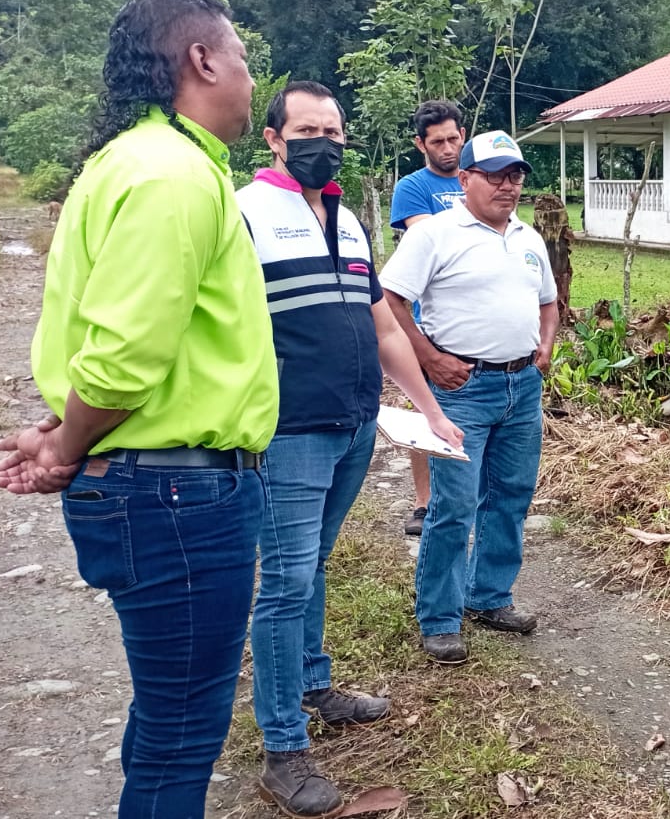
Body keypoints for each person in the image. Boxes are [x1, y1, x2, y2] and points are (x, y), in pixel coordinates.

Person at [0, 0, 276, 819]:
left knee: (167, 721)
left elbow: (116, 334)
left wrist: (66, 432)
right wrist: (68, 444)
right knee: (182, 737)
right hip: (178, 497)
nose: (250, 78)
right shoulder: (170, 176)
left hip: (157, 484)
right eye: (243, 57)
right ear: (202, 61)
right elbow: (121, 360)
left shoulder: (136, 162)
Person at [234, 81, 466, 817]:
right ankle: (283, 749)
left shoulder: (347, 217)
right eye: (307, 131)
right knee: (285, 582)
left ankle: (313, 683)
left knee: (314, 565)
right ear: (274, 139)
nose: (323, 143)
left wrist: (429, 409)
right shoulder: (243, 213)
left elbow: (384, 327)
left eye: (333, 131)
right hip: (288, 430)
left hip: (355, 424)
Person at [379, 129, 557, 664]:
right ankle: (439, 617)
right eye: (495, 175)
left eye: (515, 175)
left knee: (510, 496)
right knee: (454, 506)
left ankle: (489, 596)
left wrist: (545, 347)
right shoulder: (435, 233)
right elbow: (389, 298)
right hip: (461, 389)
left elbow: (549, 303)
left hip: (521, 386)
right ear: (465, 179)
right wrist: (429, 357)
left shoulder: (528, 237)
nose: (508, 185)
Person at [389, 100, 468, 537]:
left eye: (453, 138)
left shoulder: (478, 176)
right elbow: (432, 240)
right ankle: (424, 502)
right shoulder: (412, 188)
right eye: (437, 141)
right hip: (427, 320)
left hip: (474, 319)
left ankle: (465, 496)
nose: (447, 148)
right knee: (426, 411)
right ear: (421, 144)